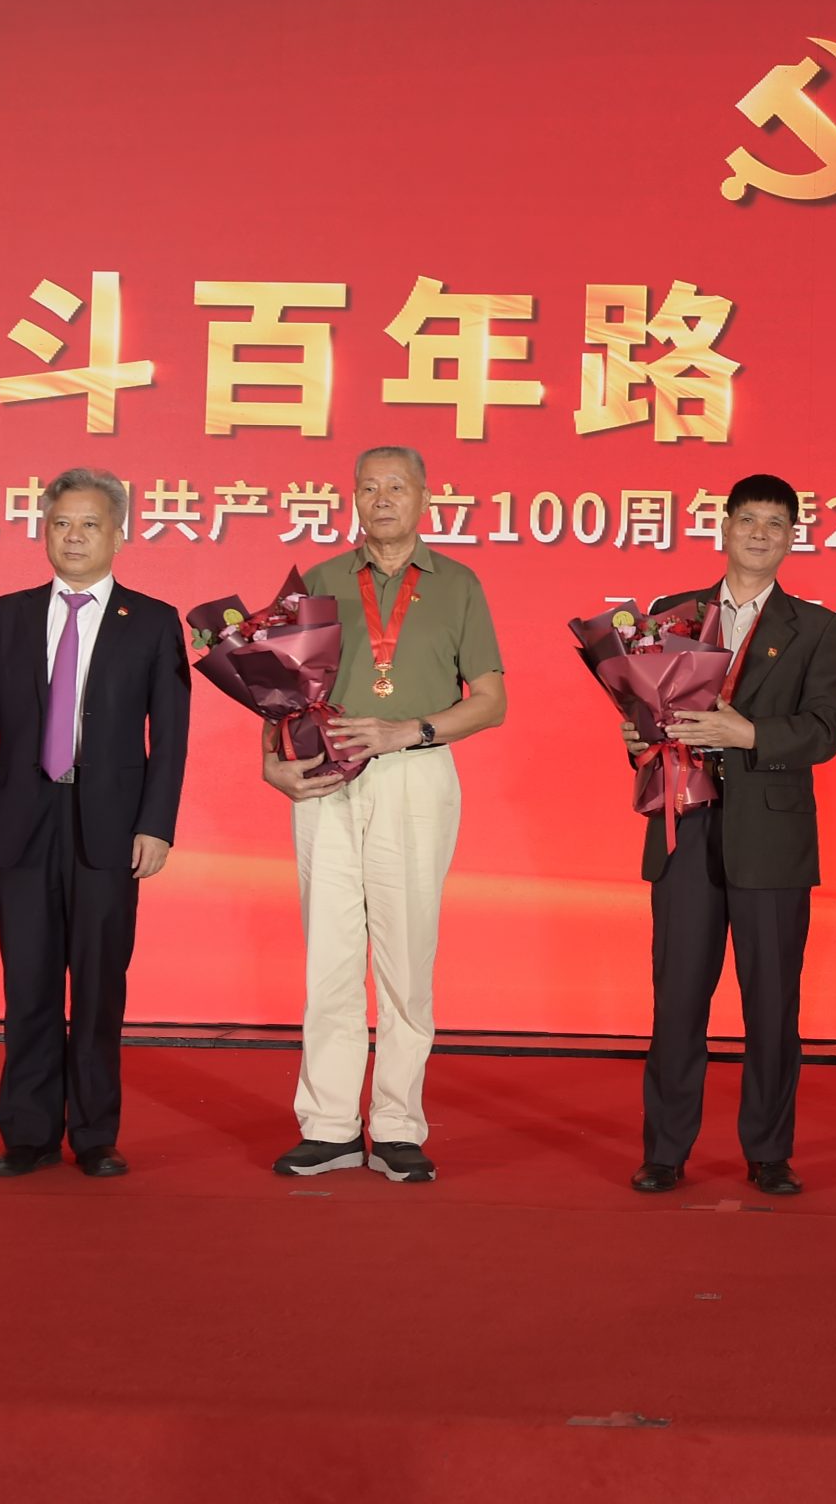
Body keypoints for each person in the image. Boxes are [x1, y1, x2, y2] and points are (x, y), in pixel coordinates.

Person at [262, 445, 507, 1180]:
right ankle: (330, 1125)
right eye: (368, 487)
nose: (382, 498)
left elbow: (490, 701)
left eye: (397, 486)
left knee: (406, 956)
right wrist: (272, 761)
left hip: (415, 776)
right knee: (330, 957)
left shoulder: (458, 584)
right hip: (326, 776)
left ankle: (398, 1125)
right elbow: (279, 688)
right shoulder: (322, 580)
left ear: (425, 498)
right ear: (355, 499)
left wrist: (411, 731)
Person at [0, 467, 190, 1179]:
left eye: (90, 524)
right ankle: (26, 1133)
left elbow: (169, 738)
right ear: (44, 532)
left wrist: (157, 824)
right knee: (27, 980)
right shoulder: (6, 615)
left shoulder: (153, 621)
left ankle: (94, 1135)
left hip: (110, 825)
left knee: (98, 985)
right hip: (20, 819)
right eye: (61, 523)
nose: (74, 536)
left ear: (119, 534)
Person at [620, 475, 836, 1198]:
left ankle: (769, 1152)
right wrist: (638, 738)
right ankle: (665, 1151)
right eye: (747, 520)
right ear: (723, 527)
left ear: (791, 538)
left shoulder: (817, 627)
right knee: (677, 999)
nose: (759, 534)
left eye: (775, 524)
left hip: (772, 836)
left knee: (772, 1004)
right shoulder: (673, 614)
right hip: (683, 823)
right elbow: (646, 711)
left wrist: (747, 733)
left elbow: (828, 727)